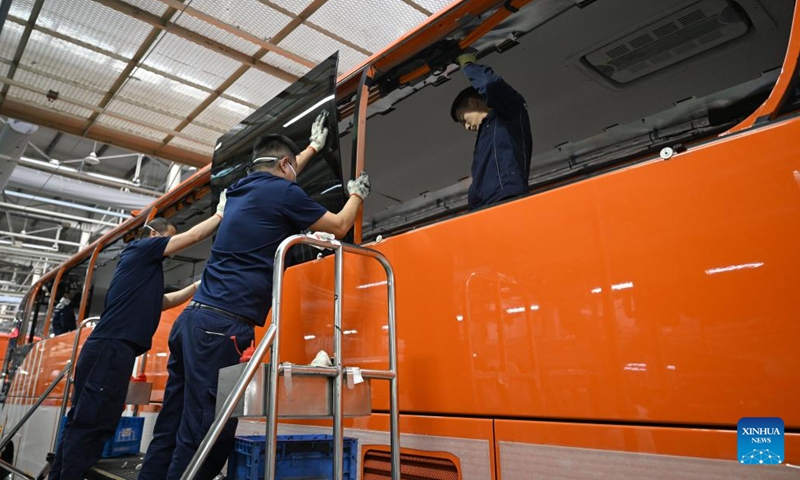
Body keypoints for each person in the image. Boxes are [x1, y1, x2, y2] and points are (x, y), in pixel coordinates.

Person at [139, 118, 371, 480]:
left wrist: (309, 149)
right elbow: (340, 225)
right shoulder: (281, 192)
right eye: (291, 167)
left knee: (172, 426)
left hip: (191, 323)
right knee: (207, 434)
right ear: (283, 165)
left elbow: (280, 177)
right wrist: (357, 193)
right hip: (221, 329)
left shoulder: (239, 190)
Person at [49, 193, 228, 480]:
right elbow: (194, 236)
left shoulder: (142, 270)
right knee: (92, 422)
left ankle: (61, 474)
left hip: (113, 350)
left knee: (91, 421)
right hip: (110, 348)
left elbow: (162, 301)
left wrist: (195, 286)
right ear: (154, 235)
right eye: (167, 240)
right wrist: (220, 214)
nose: (168, 247)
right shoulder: (143, 249)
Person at [450, 51, 533, 210]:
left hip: (505, 198)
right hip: (486, 205)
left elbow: (489, 84)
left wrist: (468, 65)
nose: (467, 127)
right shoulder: (487, 132)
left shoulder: (510, 110)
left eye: (463, 119)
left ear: (473, 102)